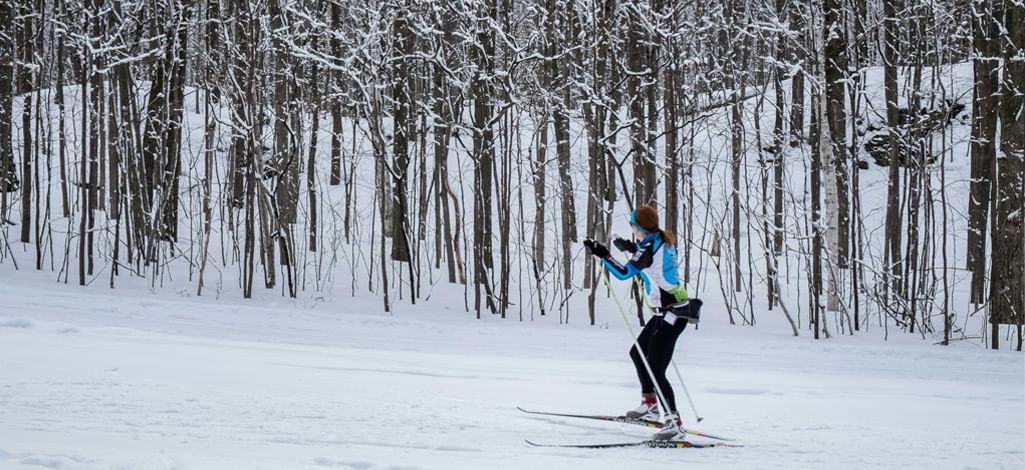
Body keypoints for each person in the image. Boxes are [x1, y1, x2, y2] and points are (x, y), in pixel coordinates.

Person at [583, 204, 702, 441]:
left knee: (657, 369)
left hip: (673, 313)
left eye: (632, 226)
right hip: (665, 312)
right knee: (638, 354)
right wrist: (630, 247)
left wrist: (603, 254)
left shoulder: (649, 245)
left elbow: (624, 273)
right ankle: (650, 404)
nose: (632, 230)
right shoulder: (658, 237)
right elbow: (647, 254)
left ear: (639, 227)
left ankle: (673, 422)